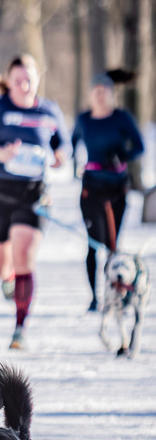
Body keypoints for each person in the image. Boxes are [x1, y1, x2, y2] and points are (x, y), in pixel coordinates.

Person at [0, 54, 71, 349]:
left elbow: (63, 143)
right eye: (17, 79)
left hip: (32, 196)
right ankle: (7, 277)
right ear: (8, 82)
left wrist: (61, 156)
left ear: (37, 78)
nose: (23, 84)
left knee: (24, 256)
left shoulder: (49, 111)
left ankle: (19, 328)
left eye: (28, 78)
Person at [72, 72, 145, 311]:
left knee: (112, 244)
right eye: (97, 92)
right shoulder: (84, 120)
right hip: (91, 187)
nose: (101, 97)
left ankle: (114, 292)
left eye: (105, 92)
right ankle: (94, 297)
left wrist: (122, 155)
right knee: (94, 242)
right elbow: (72, 141)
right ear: (91, 95)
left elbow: (139, 146)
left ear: (112, 94)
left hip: (116, 187)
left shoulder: (121, 118)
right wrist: (73, 162)